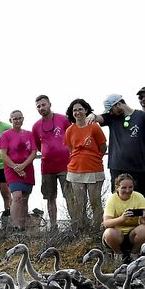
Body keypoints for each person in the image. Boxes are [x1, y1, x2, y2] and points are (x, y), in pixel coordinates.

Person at [64, 99, 107, 231]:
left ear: (86, 110)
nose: (77, 112)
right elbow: (71, 150)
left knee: (95, 202)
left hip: (94, 169)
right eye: (75, 110)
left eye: (80, 109)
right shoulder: (70, 130)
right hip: (75, 170)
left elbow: (103, 147)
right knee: (79, 203)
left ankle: (96, 230)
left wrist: (94, 157)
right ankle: (82, 230)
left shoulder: (94, 127)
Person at [89, 94, 145, 195]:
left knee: (140, 198)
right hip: (117, 167)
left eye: (111, 109)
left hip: (139, 167)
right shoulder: (111, 118)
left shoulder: (141, 116)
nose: (110, 112)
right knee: (118, 198)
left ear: (118, 104)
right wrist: (92, 116)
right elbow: (99, 117)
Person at [33, 95, 73, 230]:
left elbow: (73, 136)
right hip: (47, 167)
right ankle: (53, 226)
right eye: (38, 106)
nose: (41, 108)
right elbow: (38, 146)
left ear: (50, 104)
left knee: (70, 196)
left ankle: (76, 224)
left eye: (43, 105)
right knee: (50, 198)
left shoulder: (64, 119)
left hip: (66, 165)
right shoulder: (36, 126)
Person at [0, 110, 37, 232]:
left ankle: (22, 226)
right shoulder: (6, 135)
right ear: (10, 120)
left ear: (23, 119)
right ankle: (15, 226)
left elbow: (33, 152)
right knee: (17, 197)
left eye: (20, 118)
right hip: (11, 169)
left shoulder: (29, 134)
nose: (17, 121)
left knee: (25, 198)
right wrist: (16, 167)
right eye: (15, 119)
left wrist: (23, 165)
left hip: (27, 169)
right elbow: (3, 154)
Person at [102, 174, 145, 262]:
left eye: (130, 187)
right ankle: (118, 254)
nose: (128, 190)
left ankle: (134, 254)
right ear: (117, 188)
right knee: (109, 232)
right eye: (124, 188)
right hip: (117, 235)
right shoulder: (112, 199)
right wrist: (122, 218)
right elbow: (106, 223)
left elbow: (143, 222)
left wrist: (143, 218)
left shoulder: (139, 197)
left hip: (133, 234)